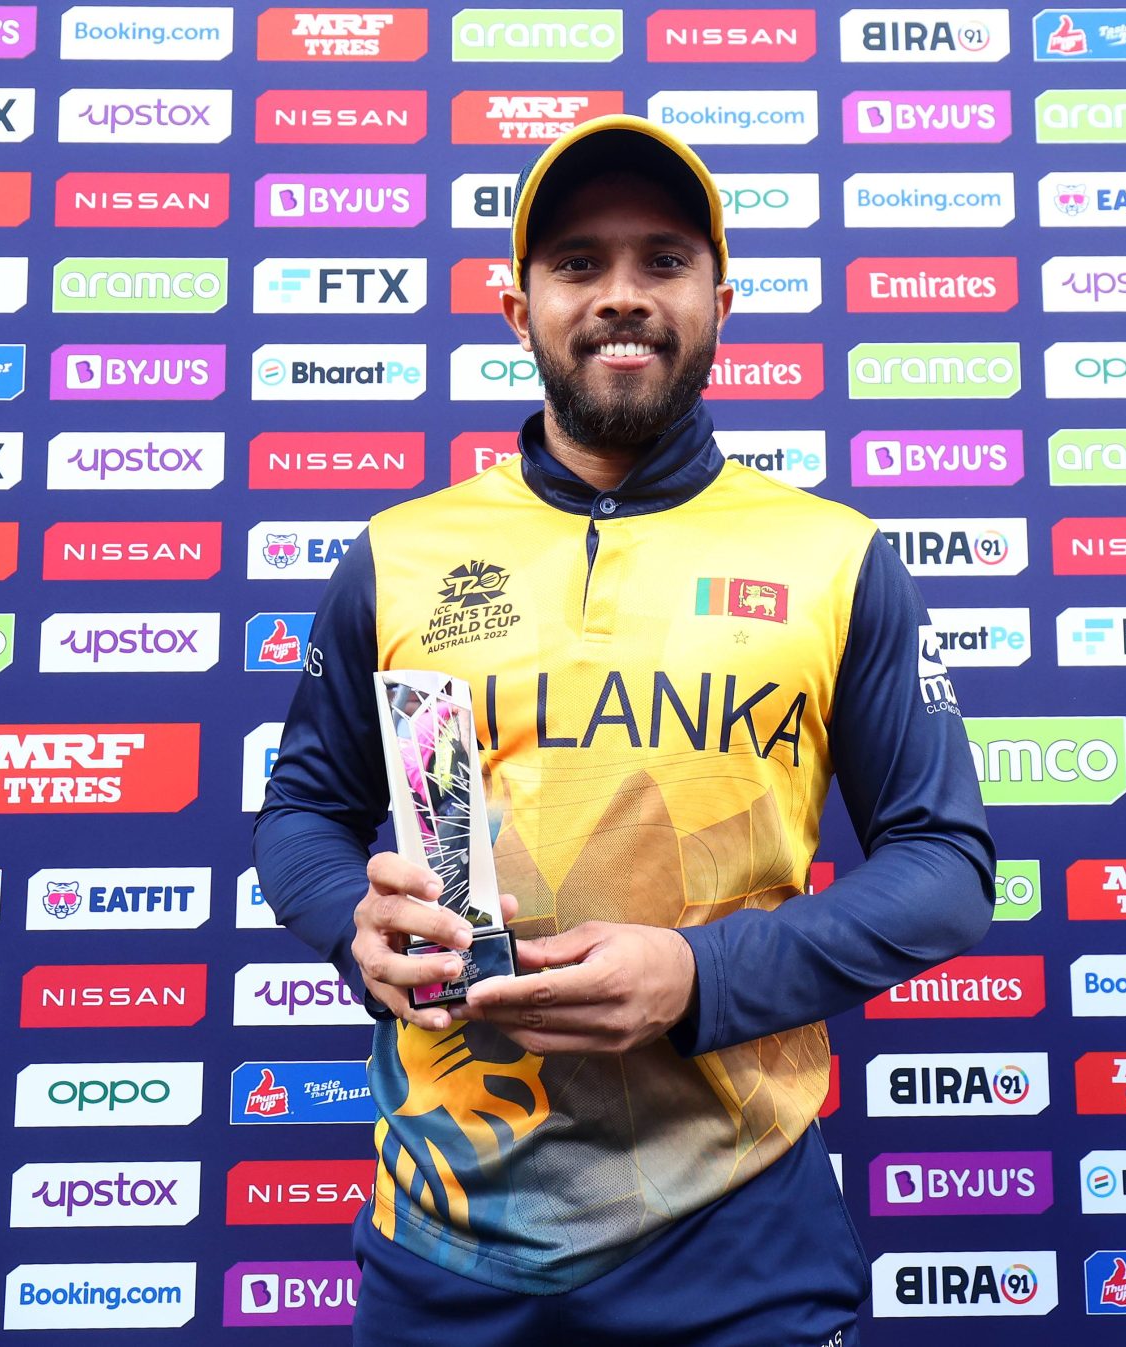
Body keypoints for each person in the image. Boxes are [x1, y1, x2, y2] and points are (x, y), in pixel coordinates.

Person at [254, 114, 996, 1345]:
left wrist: (700, 977)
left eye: (663, 261)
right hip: (446, 1246)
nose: (621, 295)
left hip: (742, 1247)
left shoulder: (834, 556)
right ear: (518, 309)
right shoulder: (399, 553)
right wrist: (351, 923)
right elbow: (304, 811)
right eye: (577, 263)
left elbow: (944, 867)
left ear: (718, 304)